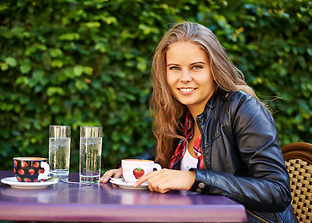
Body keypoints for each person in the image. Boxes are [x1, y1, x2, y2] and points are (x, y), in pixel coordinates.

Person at [100, 21, 298, 222]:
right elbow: (157, 157)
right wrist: (128, 170)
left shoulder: (242, 109)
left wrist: (194, 179)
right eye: (175, 68)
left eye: (196, 67)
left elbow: (277, 191)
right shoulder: (182, 115)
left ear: (214, 69)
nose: (184, 78)